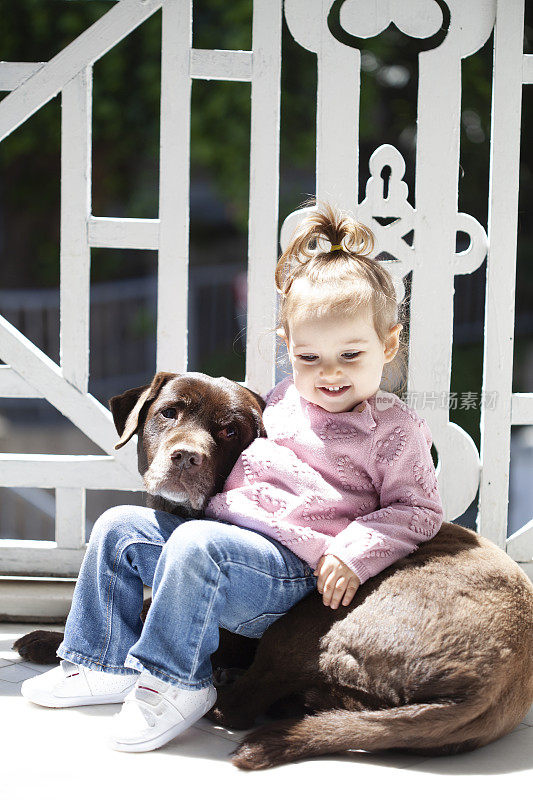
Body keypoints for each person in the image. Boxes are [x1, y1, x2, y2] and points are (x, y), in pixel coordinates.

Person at [20, 201, 443, 754]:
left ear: (387, 346)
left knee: (199, 544)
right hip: (224, 545)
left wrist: (355, 550)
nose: (329, 372)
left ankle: (176, 681)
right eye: (310, 356)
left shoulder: (395, 430)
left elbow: (418, 511)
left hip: (288, 575)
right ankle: (99, 659)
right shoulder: (281, 404)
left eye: (350, 354)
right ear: (287, 348)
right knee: (121, 526)